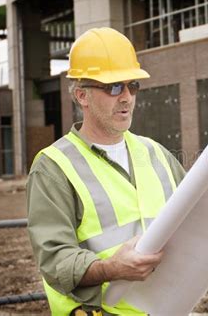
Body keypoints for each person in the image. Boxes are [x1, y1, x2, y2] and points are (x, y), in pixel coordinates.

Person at [27, 27, 186, 316]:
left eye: (132, 85)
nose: (126, 97)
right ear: (82, 96)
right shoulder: (53, 168)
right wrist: (110, 269)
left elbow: (195, 221)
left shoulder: (157, 154)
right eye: (114, 87)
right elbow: (55, 260)